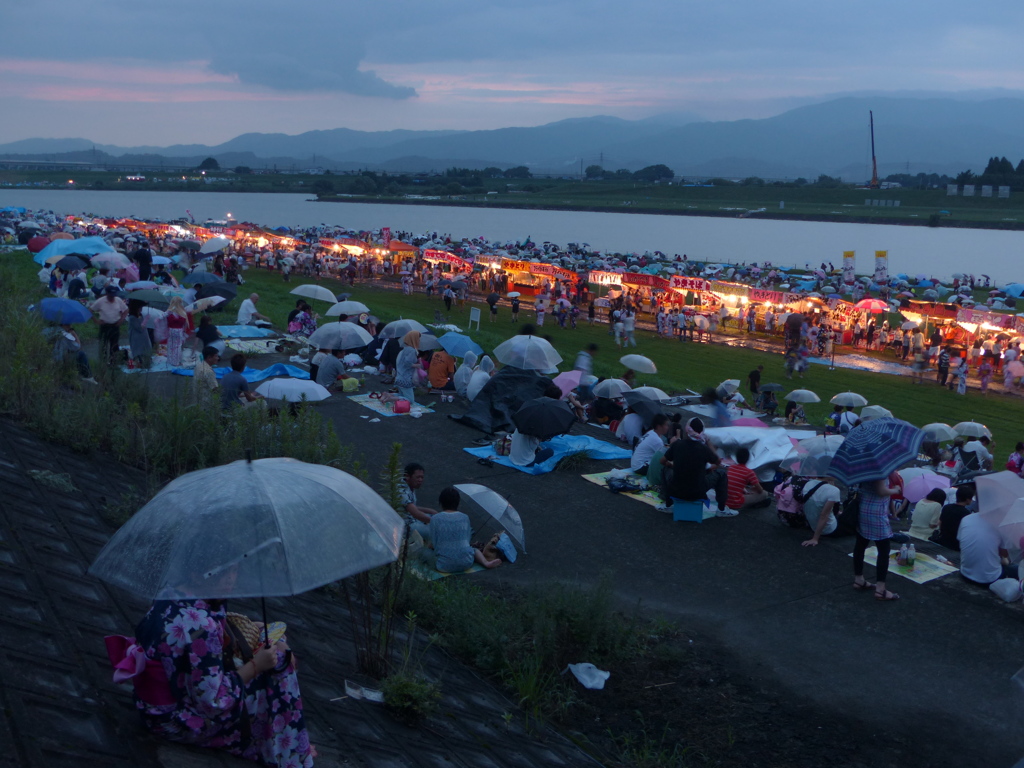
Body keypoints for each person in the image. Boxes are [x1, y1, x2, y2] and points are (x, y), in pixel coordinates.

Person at [129, 597, 313, 767]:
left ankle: (288, 741)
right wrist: (256, 665)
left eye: (232, 571)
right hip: (175, 722)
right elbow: (215, 701)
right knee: (279, 665)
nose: (231, 577)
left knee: (272, 657)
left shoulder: (168, 596)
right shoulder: (203, 625)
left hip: (150, 709)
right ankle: (290, 751)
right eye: (222, 572)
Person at [660, 417, 735, 516]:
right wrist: (708, 443)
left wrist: (672, 466)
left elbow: (662, 461)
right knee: (721, 473)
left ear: (686, 430)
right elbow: (718, 462)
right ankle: (721, 509)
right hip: (698, 491)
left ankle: (668, 505)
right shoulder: (703, 448)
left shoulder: (677, 444)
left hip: (676, 490)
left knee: (665, 469)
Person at [424, 487, 501, 572]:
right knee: (473, 550)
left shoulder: (435, 519)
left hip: (443, 565)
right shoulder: (465, 517)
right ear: (458, 503)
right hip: (467, 563)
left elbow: (433, 543)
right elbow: (467, 540)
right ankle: (486, 562)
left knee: (425, 552)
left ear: (441, 503)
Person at [852, 478, 903, 601]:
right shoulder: (878, 470)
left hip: (863, 509)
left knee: (860, 545)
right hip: (876, 513)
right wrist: (895, 490)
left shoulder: (863, 468)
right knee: (883, 551)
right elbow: (881, 491)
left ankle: (859, 580)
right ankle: (880, 589)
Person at [958, 512, 1017, 586]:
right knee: (1016, 568)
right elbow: (1004, 554)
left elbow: (962, 541)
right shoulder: (1003, 525)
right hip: (990, 579)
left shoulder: (966, 519)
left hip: (965, 573)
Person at [398, 462, 438, 543]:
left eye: (422, 477)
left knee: (433, 516)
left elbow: (411, 507)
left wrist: (431, 511)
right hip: (407, 526)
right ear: (407, 476)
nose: (420, 480)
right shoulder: (402, 491)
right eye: (418, 477)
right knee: (435, 532)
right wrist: (437, 521)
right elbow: (415, 513)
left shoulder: (410, 486)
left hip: (412, 519)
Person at [90, 285, 128, 365]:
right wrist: (96, 321)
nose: (112, 297)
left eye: (113, 295)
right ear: (107, 293)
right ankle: (103, 363)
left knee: (114, 345)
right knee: (103, 345)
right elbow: (90, 310)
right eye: (110, 295)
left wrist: (121, 319)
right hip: (105, 326)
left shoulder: (118, 300)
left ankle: (113, 362)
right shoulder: (101, 301)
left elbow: (126, 310)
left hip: (115, 325)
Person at [801, 476, 845, 546]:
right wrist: (815, 539)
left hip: (812, 525)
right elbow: (824, 516)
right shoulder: (834, 490)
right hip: (829, 529)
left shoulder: (808, 483)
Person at [932, 485, 975, 550]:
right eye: (971, 498)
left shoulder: (946, 507)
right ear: (967, 499)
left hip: (943, 540)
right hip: (955, 545)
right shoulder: (967, 514)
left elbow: (940, 523)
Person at [394, 330, 421, 404]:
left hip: (400, 377)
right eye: (418, 339)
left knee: (402, 395)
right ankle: (390, 398)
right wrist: (417, 365)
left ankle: (388, 395)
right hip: (406, 379)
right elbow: (407, 363)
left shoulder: (404, 349)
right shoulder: (412, 351)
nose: (419, 341)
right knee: (410, 400)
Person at [164, 296, 189, 366]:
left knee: (170, 345)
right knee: (177, 346)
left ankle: (170, 360)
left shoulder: (169, 311)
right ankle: (177, 361)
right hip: (179, 330)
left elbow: (163, 318)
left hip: (170, 329)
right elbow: (186, 324)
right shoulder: (182, 312)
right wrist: (184, 331)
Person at [127, 300, 152, 366]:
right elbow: (139, 328)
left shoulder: (140, 315)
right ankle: (139, 360)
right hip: (136, 337)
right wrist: (145, 320)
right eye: (140, 308)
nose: (141, 309)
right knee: (139, 350)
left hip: (143, 336)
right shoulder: (132, 318)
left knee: (145, 348)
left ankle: (146, 359)